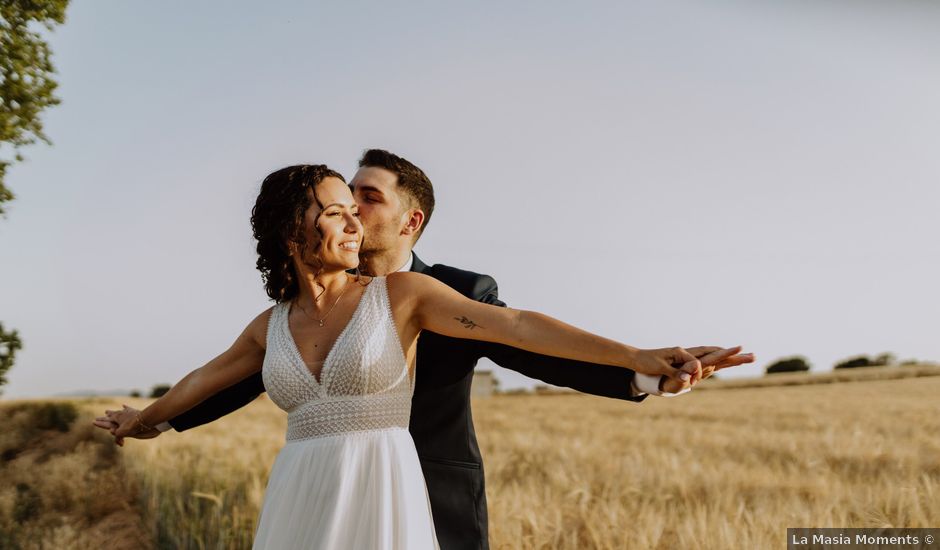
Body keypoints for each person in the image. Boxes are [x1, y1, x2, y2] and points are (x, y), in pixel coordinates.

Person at [99, 153, 754, 549]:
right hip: (302, 489)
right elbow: (211, 380)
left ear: (409, 220)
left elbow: (522, 331)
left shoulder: (419, 293)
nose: (354, 213)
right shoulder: (270, 324)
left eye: (365, 199)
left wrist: (639, 359)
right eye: (339, 204)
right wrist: (147, 419)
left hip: (403, 491)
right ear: (291, 231)